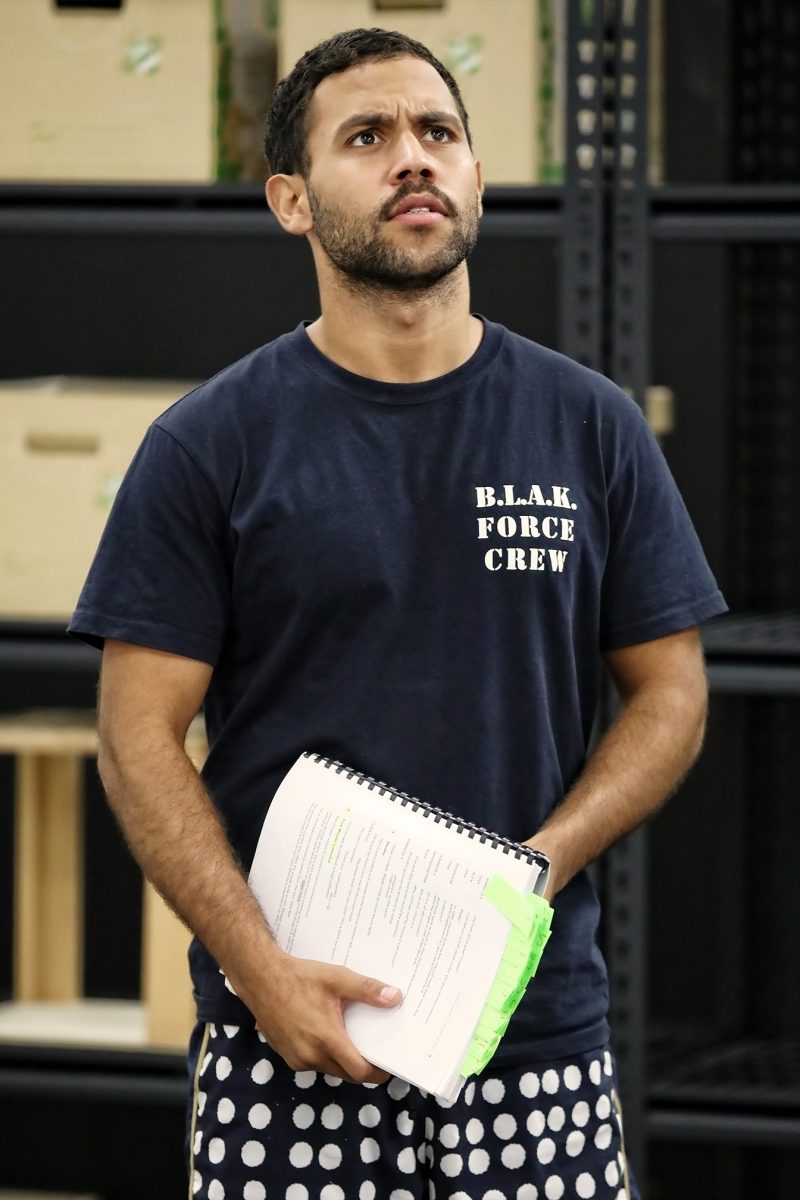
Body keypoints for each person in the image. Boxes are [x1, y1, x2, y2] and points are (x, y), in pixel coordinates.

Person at [69, 27, 726, 1200]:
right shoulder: (208, 446)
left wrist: (533, 866)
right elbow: (133, 739)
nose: (411, 159)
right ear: (291, 199)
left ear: (474, 175)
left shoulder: (588, 426)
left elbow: (670, 693)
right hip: (285, 1048)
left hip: (536, 1046)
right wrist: (256, 969)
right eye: (365, 137)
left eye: (438, 133)